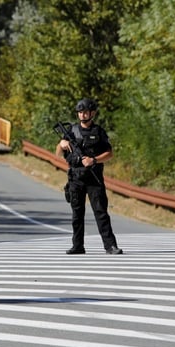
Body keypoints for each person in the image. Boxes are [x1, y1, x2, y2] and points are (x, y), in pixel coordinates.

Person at [56, 98, 123, 255]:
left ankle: (110, 246)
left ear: (92, 113)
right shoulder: (71, 131)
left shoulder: (99, 132)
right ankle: (77, 245)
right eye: (80, 112)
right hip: (76, 178)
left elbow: (109, 154)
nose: (82, 115)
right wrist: (61, 144)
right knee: (77, 214)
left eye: (85, 112)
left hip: (94, 178)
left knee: (101, 212)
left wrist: (94, 160)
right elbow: (58, 154)